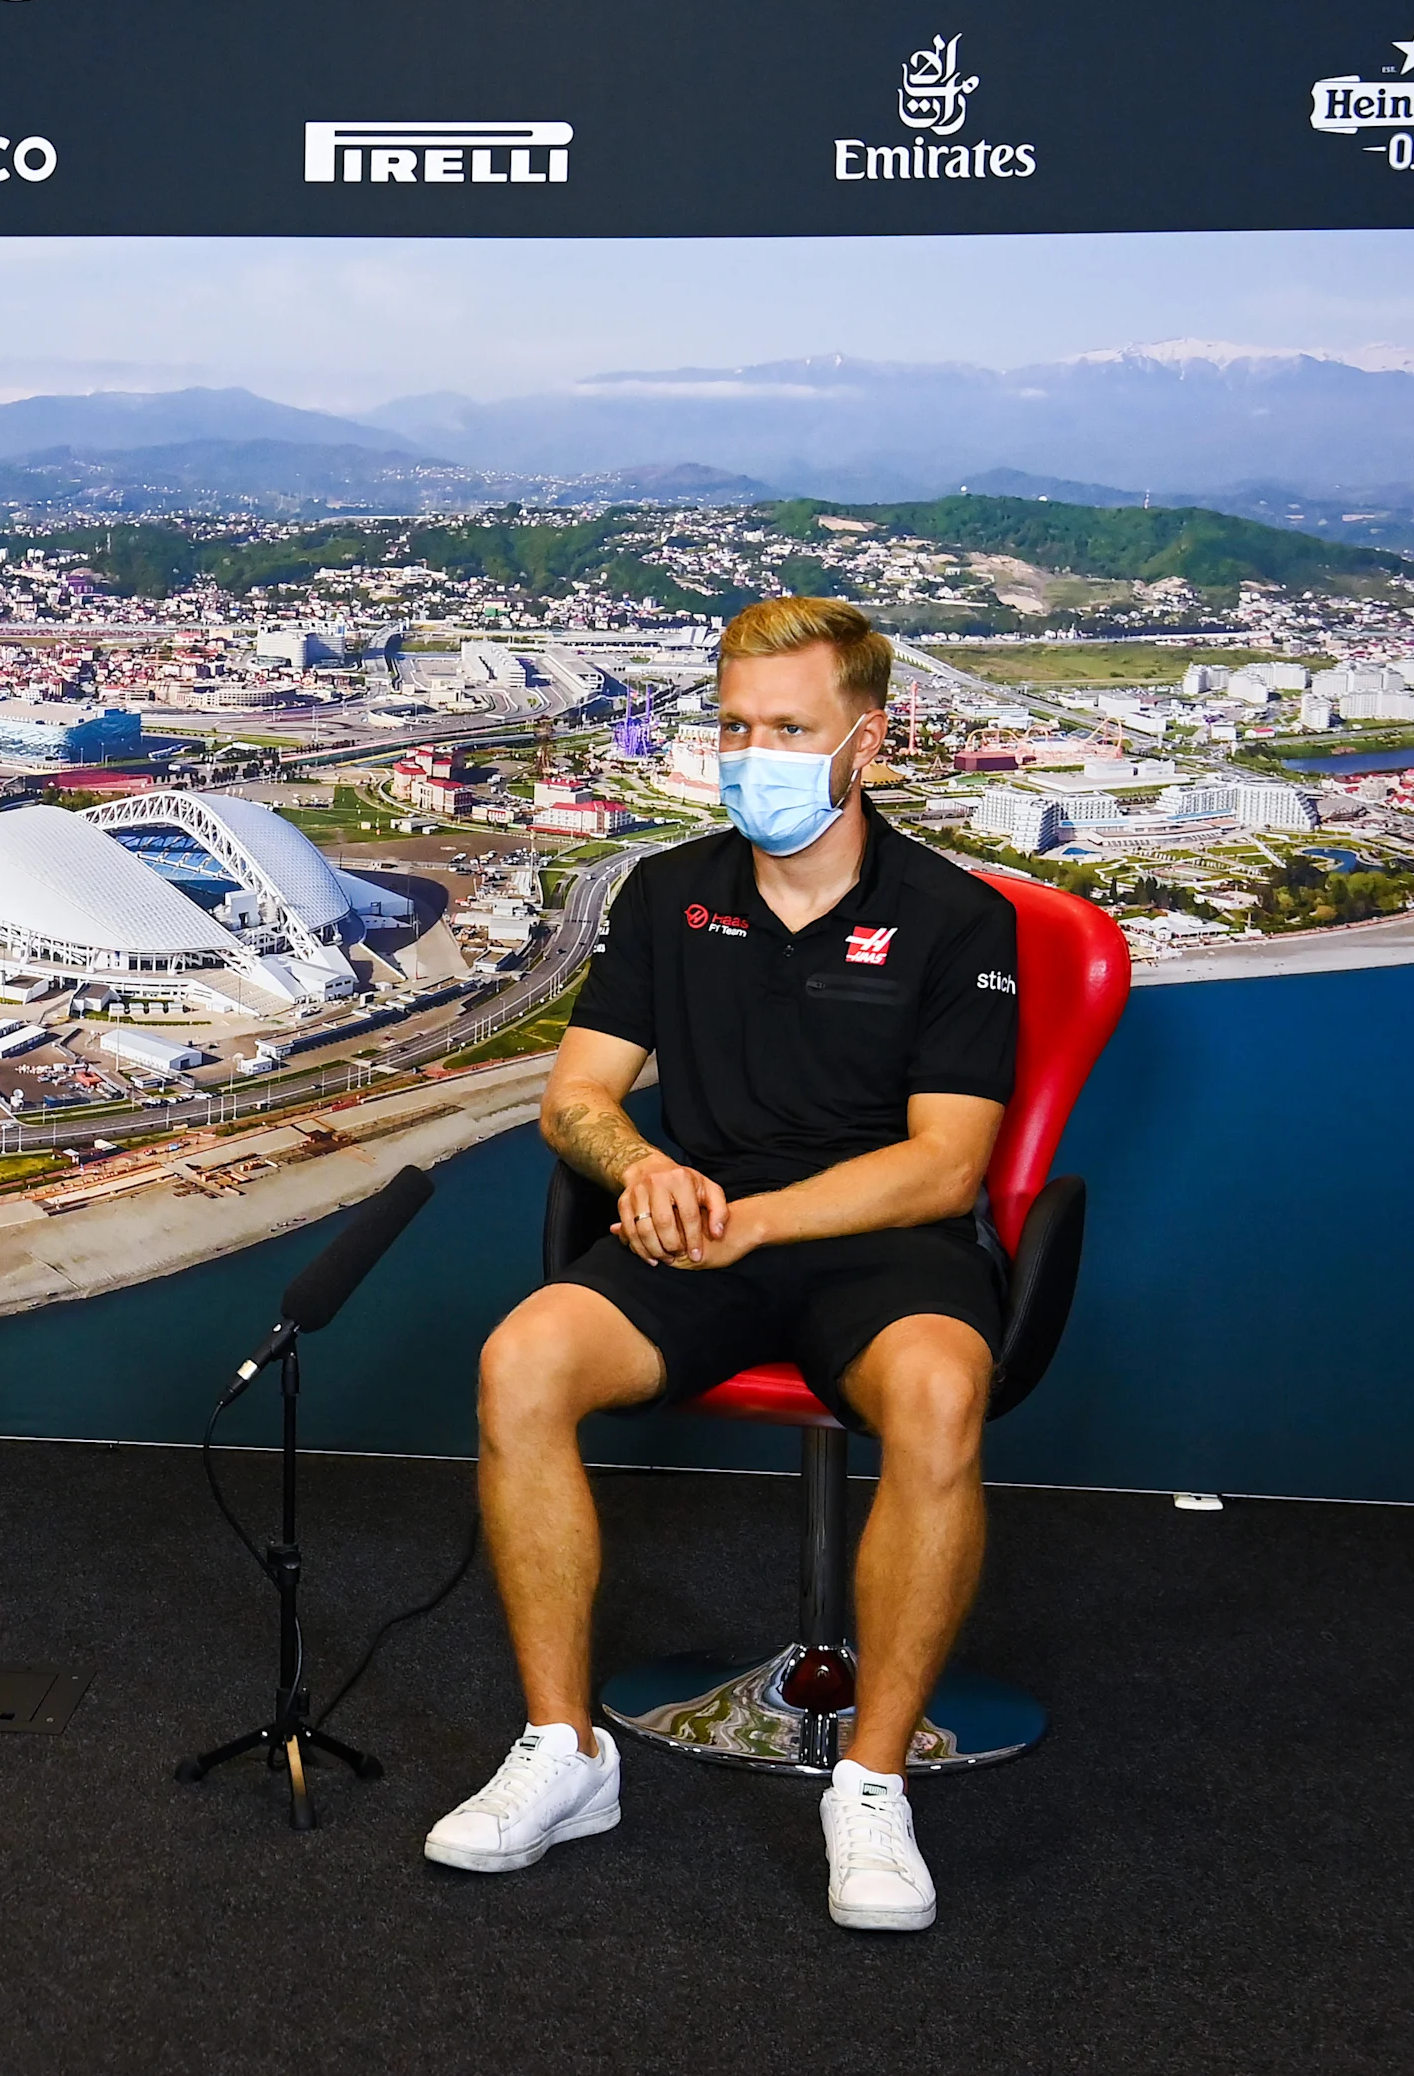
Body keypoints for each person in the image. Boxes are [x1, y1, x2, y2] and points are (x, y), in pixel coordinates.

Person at [421, 596, 1020, 1932]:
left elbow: (947, 1167)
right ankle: (565, 1750)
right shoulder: (666, 891)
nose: (754, 753)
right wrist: (641, 1166)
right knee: (520, 1362)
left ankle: (869, 1783)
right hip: (699, 1233)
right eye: (736, 725)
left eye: (790, 728)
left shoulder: (956, 917)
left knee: (937, 1395)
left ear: (865, 741)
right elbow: (575, 1097)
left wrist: (758, 1217)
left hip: (885, 1248)